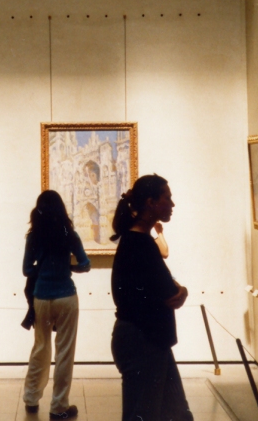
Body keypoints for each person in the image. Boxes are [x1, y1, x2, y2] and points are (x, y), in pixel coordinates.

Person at [110, 175, 193, 421]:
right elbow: (170, 292)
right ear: (151, 202)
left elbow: (166, 288)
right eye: (167, 198)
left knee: (177, 414)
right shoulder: (139, 244)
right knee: (144, 414)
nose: (172, 204)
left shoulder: (138, 241)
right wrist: (181, 290)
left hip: (149, 340)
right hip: (142, 341)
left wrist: (180, 289)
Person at [22, 190, 91, 420]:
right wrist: (68, 268)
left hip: (41, 297)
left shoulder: (34, 236)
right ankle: (59, 406)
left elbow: (26, 269)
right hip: (66, 297)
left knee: (40, 347)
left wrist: (42, 271)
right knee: (65, 352)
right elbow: (85, 264)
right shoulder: (69, 234)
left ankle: (31, 399)